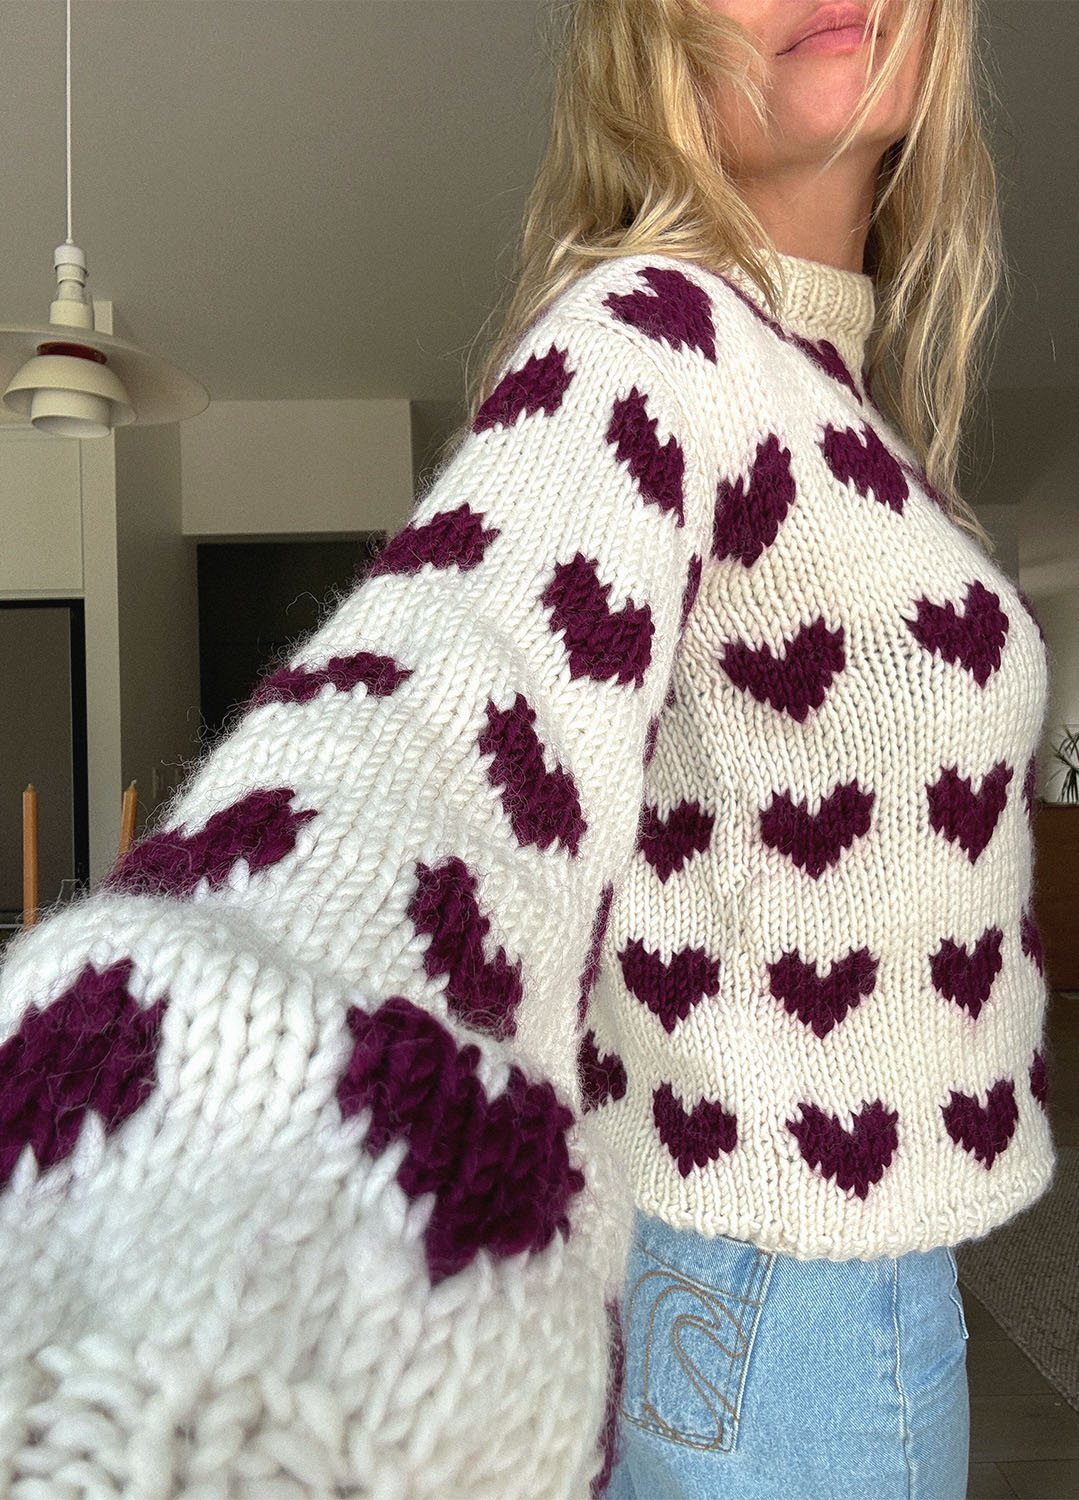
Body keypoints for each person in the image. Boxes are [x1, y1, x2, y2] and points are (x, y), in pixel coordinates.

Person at [0, 0, 1053, 1497]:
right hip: (775, 1312)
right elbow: (454, 688)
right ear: (646, 38)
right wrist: (179, 1124)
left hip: (807, 1281)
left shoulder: (824, 396)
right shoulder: (653, 336)